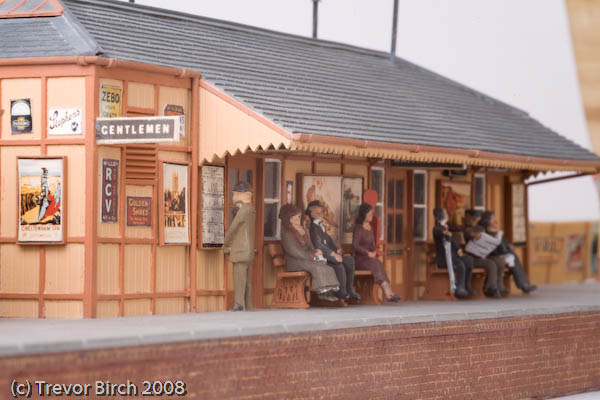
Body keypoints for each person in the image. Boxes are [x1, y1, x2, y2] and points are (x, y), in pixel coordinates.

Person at [279, 204, 340, 302]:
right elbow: (293, 251)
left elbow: (310, 245)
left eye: (298, 217)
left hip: (306, 259)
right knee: (317, 267)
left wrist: (315, 251)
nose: (297, 220)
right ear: (288, 219)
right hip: (295, 262)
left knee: (327, 267)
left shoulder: (303, 230)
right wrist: (311, 256)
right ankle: (322, 293)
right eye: (293, 218)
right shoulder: (287, 233)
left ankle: (328, 291)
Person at [306, 200, 360, 302]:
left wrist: (336, 249)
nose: (320, 214)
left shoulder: (320, 225)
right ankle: (340, 292)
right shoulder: (313, 227)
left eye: (321, 212)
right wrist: (332, 254)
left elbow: (328, 240)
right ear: (311, 213)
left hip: (330, 254)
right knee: (339, 266)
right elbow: (318, 245)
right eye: (317, 212)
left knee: (349, 260)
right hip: (322, 256)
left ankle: (349, 289)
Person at [352, 203, 402, 302]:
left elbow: (372, 245)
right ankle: (388, 294)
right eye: (369, 214)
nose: (371, 216)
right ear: (363, 214)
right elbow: (355, 246)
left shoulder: (370, 228)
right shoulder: (358, 228)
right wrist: (367, 253)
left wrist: (374, 251)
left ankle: (390, 293)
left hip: (369, 259)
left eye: (372, 213)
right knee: (375, 263)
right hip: (359, 260)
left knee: (378, 262)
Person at [479, 211, 537, 294]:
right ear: (487, 220)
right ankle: (523, 285)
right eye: (492, 218)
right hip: (490, 255)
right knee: (510, 258)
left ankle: (524, 284)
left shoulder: (497, 232)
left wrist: (508, 247)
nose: (495, 220)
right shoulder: (484, 232)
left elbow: (503, 244)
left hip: (500, 254)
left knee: (512, 256)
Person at [223, 181, 256, 311]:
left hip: (240, 249)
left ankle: (239, 304)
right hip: (248, 250)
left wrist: (226, 244)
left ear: (241, 195)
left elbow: (233, 228)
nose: (233, 197)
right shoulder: (251, 209)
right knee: (246, 280)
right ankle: (248, 304)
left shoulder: (243, 210)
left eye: (234, 194)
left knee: (239, 278)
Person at [463, 209, 506, 297]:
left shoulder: (481, 228)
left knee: (500, 261)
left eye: (477, 220)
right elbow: (469, 234)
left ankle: (498, 285)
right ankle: (491, 287)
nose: (476, 222)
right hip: (473, 257)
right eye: (474, 219)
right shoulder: (467, 229)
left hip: (483, 255)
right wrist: (475, 235)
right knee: (491, 264)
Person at [432, 208, 474, 298]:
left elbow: (453, 241)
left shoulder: (446, 227)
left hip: (453, 257)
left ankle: (467, 285)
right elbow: (439, 232)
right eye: (445, 213)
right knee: (460, 264)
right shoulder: (437, 228)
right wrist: (444, 233)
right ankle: (459, 287)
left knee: (469, 260)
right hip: (444, 260)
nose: (447, 214)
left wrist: (458, 248)